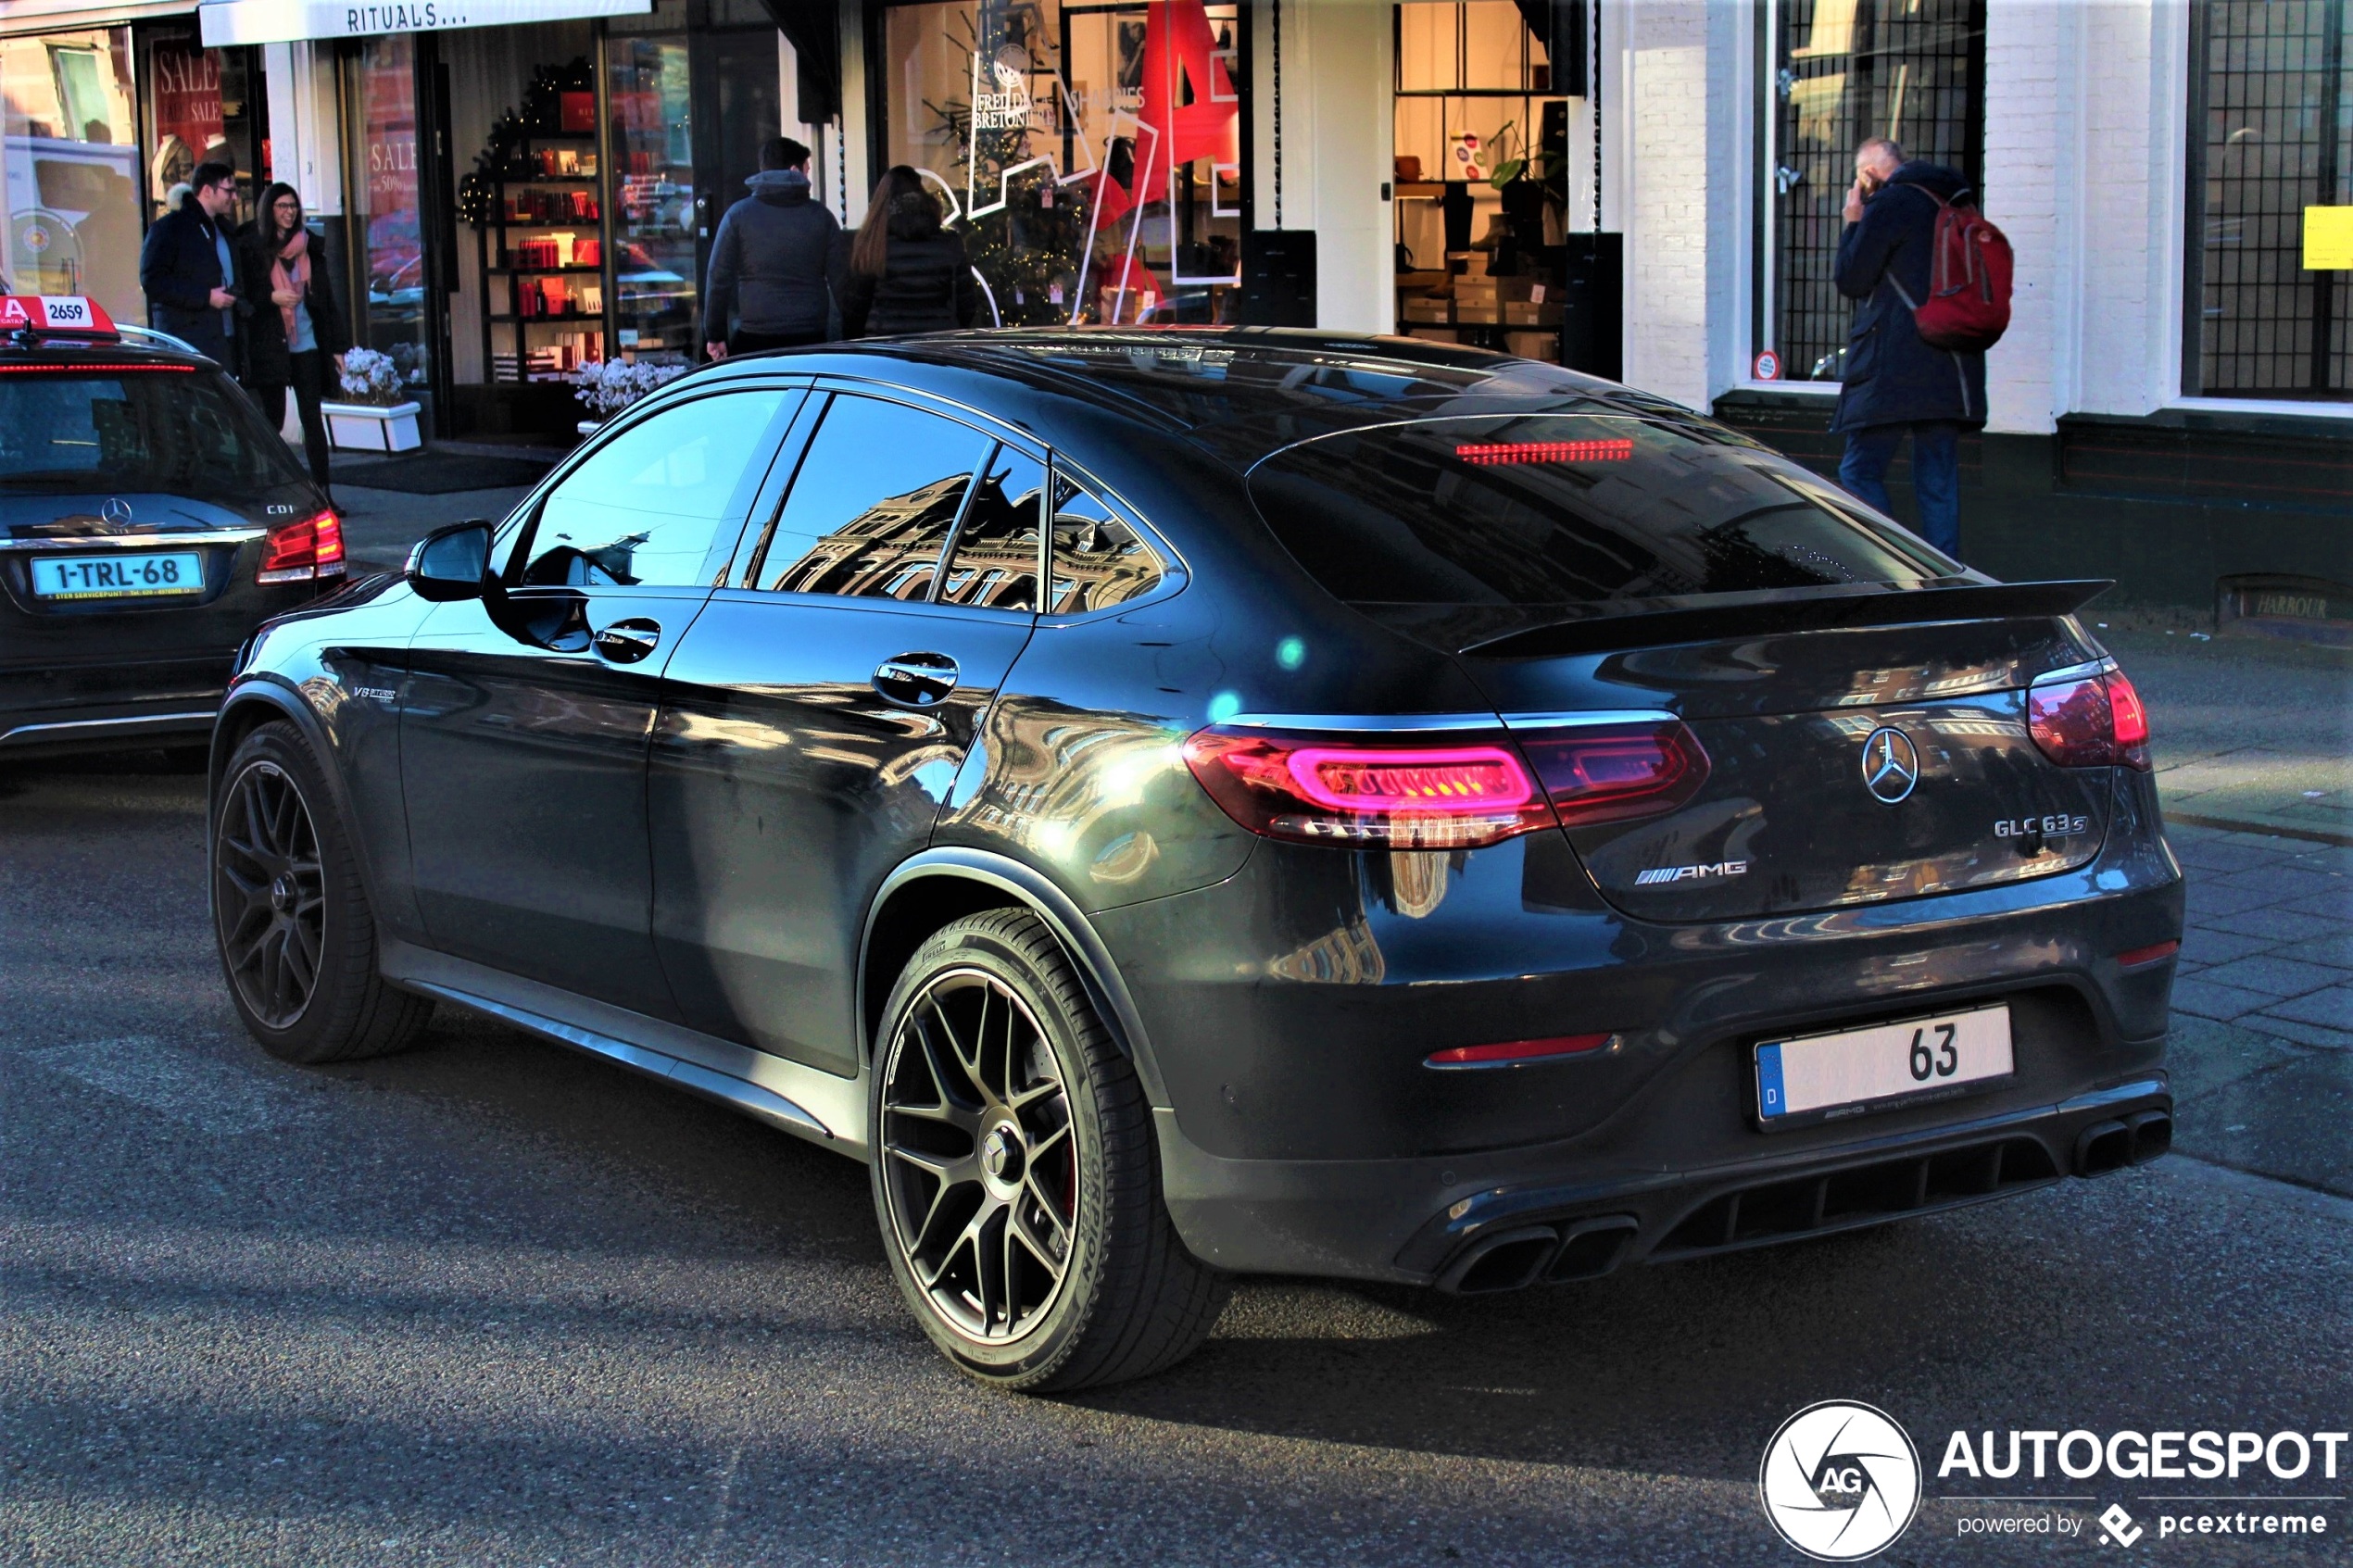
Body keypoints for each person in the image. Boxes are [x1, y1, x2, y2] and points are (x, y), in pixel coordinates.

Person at [1831, 136, 1986, 559]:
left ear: (1869, 174)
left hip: (1895, 367)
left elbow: (1851, 279)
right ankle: (1945, 580)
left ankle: (1900, 562)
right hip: (1952, 362)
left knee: (1858, 469)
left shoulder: (1889, 205)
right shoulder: (1958, 205)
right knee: (1937, 480)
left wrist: (1854, 220)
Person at [239, 182, 347, 495]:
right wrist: (271, 297)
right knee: (271, 419)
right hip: (272, 345)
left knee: (312, 418)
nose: (289, 212)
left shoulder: (309, 247)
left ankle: (323, 492)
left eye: (293, 206)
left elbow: (326, 301)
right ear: (269, 210)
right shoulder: (253, 248)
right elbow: (245, 299)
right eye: (282, 206)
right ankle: (271, 490)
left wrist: (338, 347)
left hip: (308, 344)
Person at [704, 136, 839, 358]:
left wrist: (715, 333)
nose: (809, 179)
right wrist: (853, 337)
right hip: (810, 338)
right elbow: (842, 283)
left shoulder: (737, 216)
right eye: (807, 171)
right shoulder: (822, 217)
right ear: (794, 170)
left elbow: (718, 277)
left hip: (755, 337)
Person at [831, 165, 980, 339]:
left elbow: (854, 311)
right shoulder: (949, 243)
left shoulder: (872, 245)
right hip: (937, 344)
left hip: (886, 348)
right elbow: (967, 305)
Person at [139, 160, 243, 368]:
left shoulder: (225, 230)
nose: (234, 197)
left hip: (225, 337)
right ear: (207, 190)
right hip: (187, 342)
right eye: (228, 191)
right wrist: (206, 297)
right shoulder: (170, 229)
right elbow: (152, 280)